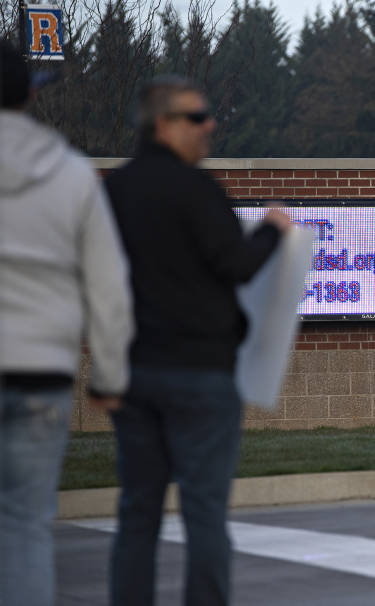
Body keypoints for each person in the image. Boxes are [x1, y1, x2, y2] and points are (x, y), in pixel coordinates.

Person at [103, 76, 291, 606]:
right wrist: (274, 229)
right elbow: (237, 265)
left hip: (136, 373)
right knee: (204, 512)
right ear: (161, 124)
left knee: (137, 512)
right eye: (197, 116)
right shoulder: (197, 189)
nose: (210, 125)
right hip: (202, 375)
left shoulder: (113, 191)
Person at [0, 42, 133, 606]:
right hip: (41, 374)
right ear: (31, 93)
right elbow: (109, 286)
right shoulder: (72, 175)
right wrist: (110, 375)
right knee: (26, 526)